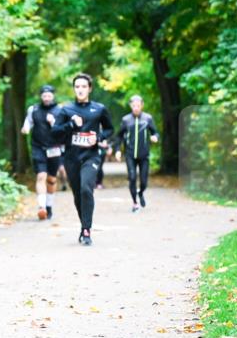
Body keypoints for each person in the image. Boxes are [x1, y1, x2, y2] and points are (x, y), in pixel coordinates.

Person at [52, 73, 114, 246]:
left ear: (90, 89)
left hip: (91, 156)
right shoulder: (66, 110)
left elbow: (110, 129)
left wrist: (99, 137)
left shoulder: (99, 109)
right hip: (71, 158)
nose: (80, 89)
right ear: (74, 89)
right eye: (77, 86)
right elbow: (55, 133)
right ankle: (83, 225)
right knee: (78, 194)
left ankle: (87, 230)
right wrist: (71, 124)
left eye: (83, 86)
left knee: (87, 188)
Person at [21, 85, 63, 220]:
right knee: (41, 176)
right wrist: (26, 128)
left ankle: (49, 206)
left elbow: (64, 129)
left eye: (49, 95)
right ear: (41, 97)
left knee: (51, 179)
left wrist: (54, 122)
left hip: (54, 148)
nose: (46, 98)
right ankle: (41, 207)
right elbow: (28, 123)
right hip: (38, 147)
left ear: (53, 96)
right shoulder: (34, 109)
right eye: (44, 96)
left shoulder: (60, 110)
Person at [114, 94, 159, 212]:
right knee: (132, 177)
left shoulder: (148, 118)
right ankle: (134, 203)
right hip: (129, 155)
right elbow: (118, 137)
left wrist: (155, 137)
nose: (136, 108)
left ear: (142, 106)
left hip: (144, 155)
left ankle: (141, 192)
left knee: (144, 181)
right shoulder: (126, 120)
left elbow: (155, 132)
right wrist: (118, 150)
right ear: (130, 106)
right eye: (134, 106)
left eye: (138, 106)